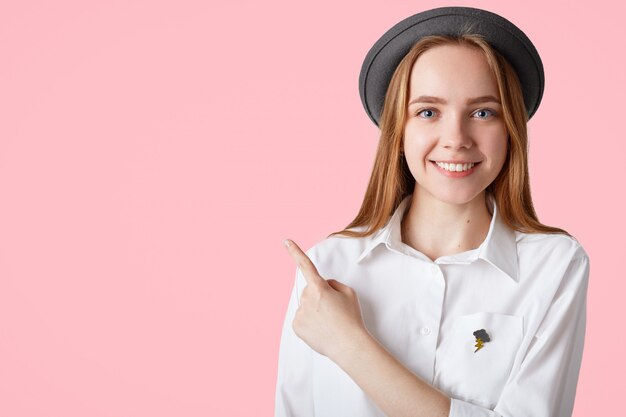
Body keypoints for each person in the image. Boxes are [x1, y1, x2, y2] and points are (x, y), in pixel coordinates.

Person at [274, 6, 589, 417]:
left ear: (510, 128)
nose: (456, 139)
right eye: (427, 112)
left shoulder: (554, 265)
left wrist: (348, 343)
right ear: (397, 130)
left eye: (483, 112)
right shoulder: (328, 267)